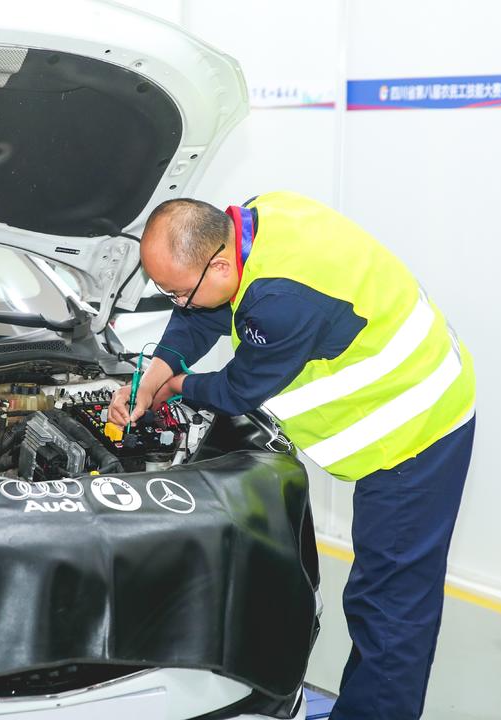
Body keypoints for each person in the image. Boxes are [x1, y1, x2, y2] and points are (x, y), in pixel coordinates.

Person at [107, 191, 476, 720]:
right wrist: (159, 367)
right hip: (407, 403)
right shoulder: (256, 221)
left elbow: (238, 389)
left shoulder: (280, 302)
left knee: (389, 603)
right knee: (381, 597)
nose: (177, 302)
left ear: (219, 260)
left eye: (177, 291)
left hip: (417, 428)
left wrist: (175, 387)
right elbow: (203, 311)